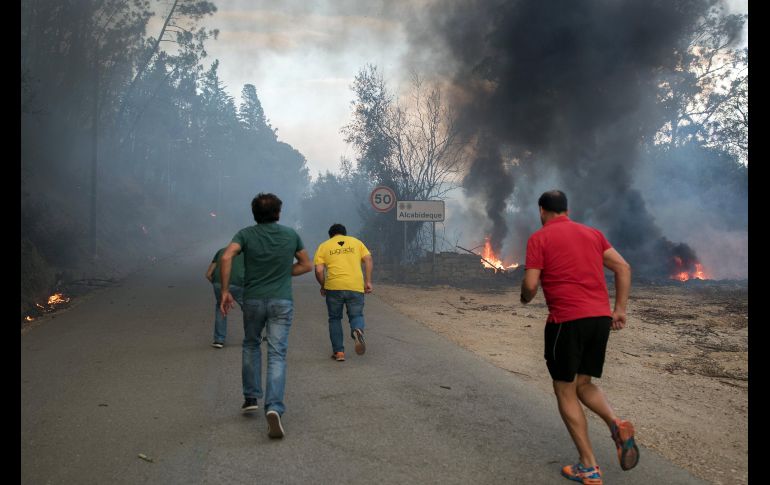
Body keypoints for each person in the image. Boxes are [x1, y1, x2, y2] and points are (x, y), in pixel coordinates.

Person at [520, 190, 638, 485]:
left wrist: (525, 295)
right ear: (567, 210)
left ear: (542, 211)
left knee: (565, 389)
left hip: (566, 321)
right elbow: (623, 267)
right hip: (599, 320)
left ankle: (589, 466)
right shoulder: (593, 234)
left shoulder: (540, 238)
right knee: (583, 383)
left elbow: (531, 284)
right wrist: (619, 310)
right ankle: (616, 423)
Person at [220, 193, 312, 439]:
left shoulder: (245, 235)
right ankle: (273, 407)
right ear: (278, 213)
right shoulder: (291, 235)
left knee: (251, 344)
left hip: (252, 299)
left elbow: (227, 256)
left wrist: (226, 291)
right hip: (281, 301)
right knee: (277, 353)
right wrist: (283, 272)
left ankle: (251, 397)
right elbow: (306, 265)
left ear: (254, 214)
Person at [313, 223, 373, 362]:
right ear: (344, 233)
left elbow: (319, 270)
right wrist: (368, 281)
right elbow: (368, 259)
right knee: (356, 314)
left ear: (330, 235)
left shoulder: (324, 246)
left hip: (333, 287)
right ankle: (357, 330)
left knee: (334, 318)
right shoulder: (356, 242)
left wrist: (323, 285)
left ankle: (339, 352)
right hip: (355, 286)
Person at [205, 247, 245, 348]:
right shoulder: (248, 253)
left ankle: (219, 340)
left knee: (220, 308)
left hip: (219, 283)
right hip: (239, 284)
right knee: (249, 308)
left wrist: (222, 288)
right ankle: (252, 337)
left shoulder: (221, 251)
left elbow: (208, 274)